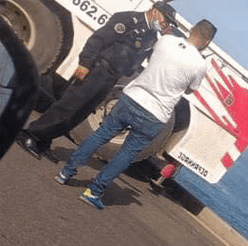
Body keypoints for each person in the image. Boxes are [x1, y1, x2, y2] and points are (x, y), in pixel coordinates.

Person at [55, 20, 216, 209]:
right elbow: (190, 90)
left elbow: (152, 57)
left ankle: (66, 172)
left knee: (102, 134)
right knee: (127, 153)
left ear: (192, 30)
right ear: (207, 42)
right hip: (156, 114)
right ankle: (93, 191)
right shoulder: (200, 65)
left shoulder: (166, 41)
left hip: (132, 98)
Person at [17, 1, 176, 159]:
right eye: (165, 19)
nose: (165, 24)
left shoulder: (152, 37)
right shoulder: (128, 20)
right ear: (155, 11)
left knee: (80, 113)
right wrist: (85, 63)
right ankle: (31, 135)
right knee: (68, 106)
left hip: (111, 77)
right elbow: (99, 39)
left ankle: (44, 140)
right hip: (97, 70)